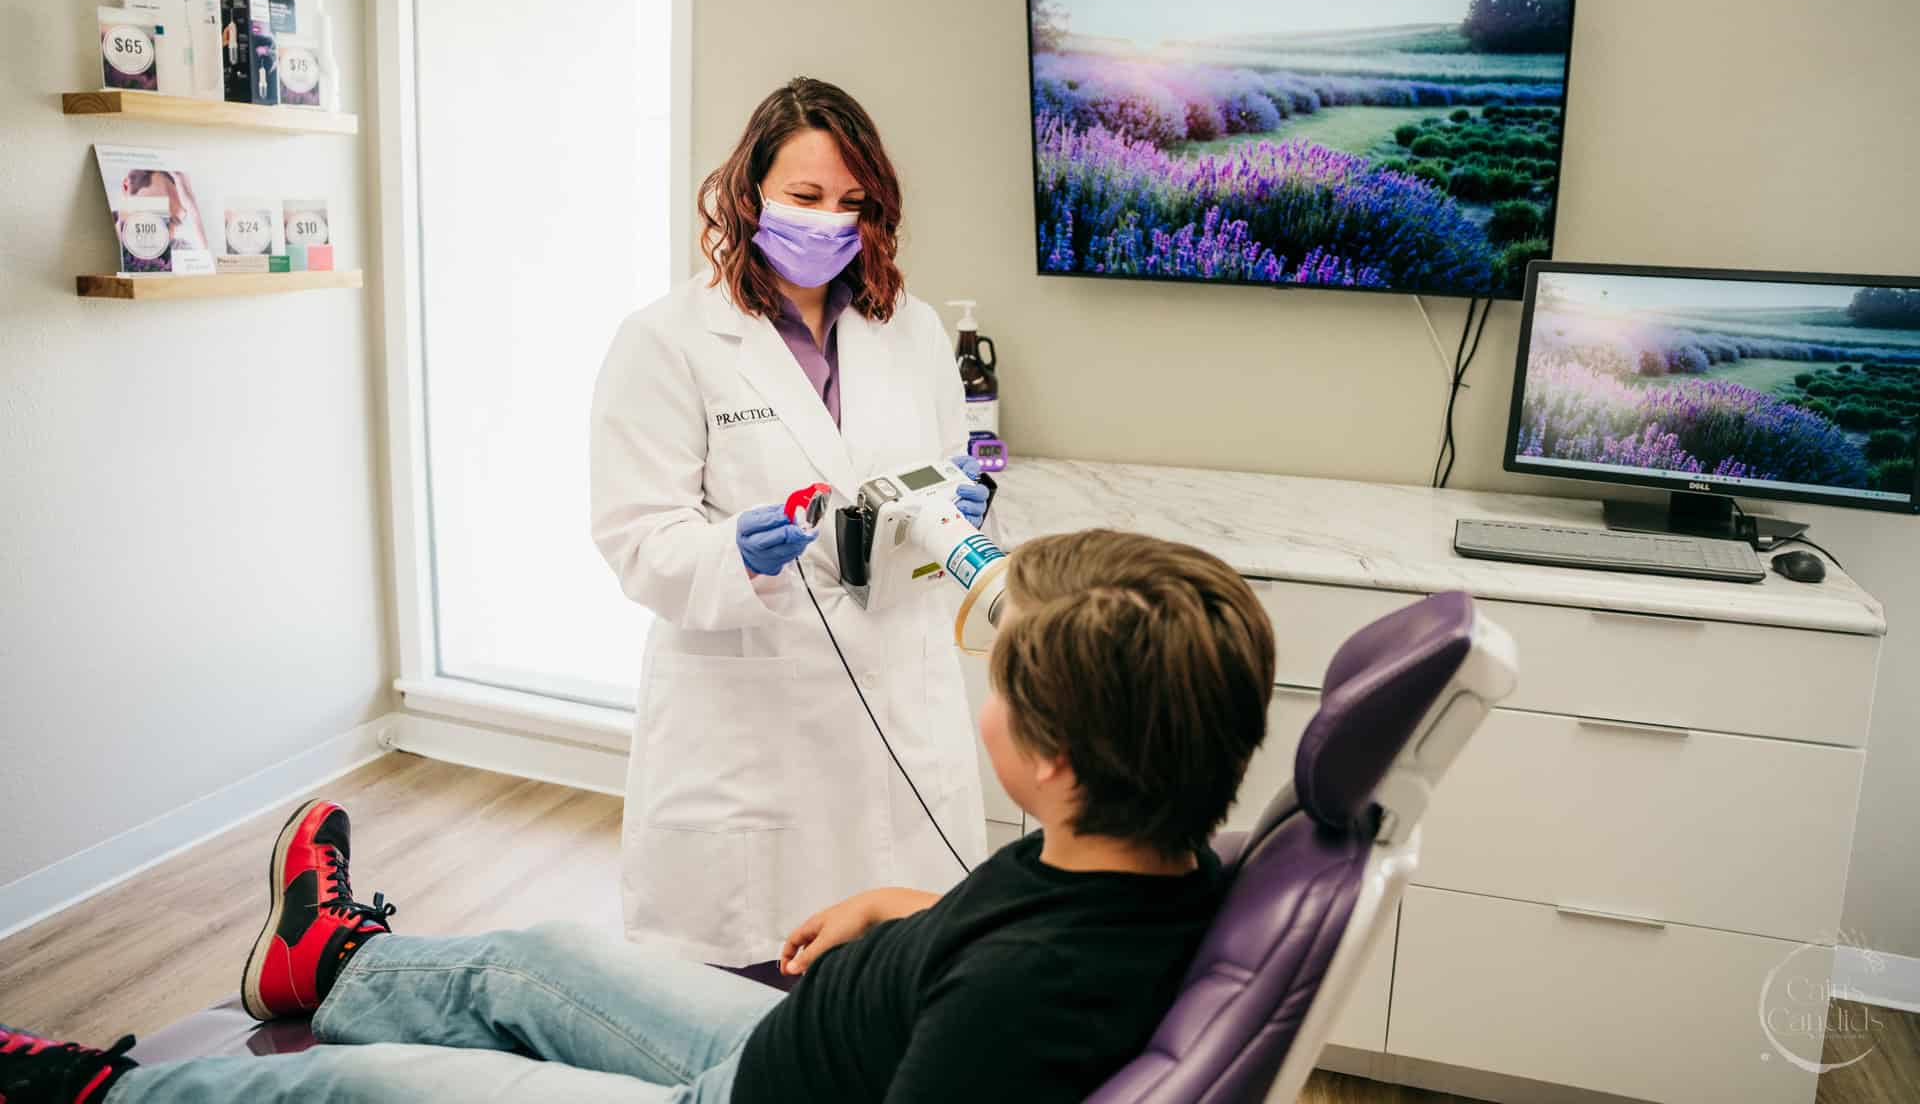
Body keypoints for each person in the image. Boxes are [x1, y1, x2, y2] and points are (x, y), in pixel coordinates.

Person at [0, 528, 1274, 1104]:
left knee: (358, 1089)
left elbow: (1012, 993)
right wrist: (913, 911)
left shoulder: (1026, 998)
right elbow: (1028, 925)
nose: (978, 691)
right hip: (777, 1048)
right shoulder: (1164, 854)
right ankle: (329, 959)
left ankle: (85, 1089)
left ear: (1055, 763)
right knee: (542, 955)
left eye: (999, 683)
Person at [589, 77, 993, 979]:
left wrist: (954, 509)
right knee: (746, 993)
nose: (827, 222)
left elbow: (941, 472)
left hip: (899, 695)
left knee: (898, 980)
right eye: (805, 198)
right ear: (749, 194)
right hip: (751, 719)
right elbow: (635, 537)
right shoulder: (667, 340)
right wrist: (729, 551)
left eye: (851, 204)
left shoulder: (912, 331)